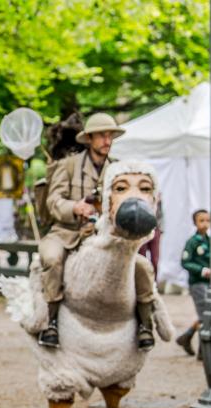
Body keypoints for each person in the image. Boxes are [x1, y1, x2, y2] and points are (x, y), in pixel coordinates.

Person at [38, 112, 156, 350]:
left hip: (103, 236)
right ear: (89, 138)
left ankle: (146, 324)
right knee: (52, 259)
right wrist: (75, 207)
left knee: (141, 266)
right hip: (66, 232)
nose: (107, 140)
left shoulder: (119, 169)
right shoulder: (67, 165)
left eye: (110, 135)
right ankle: (51, 322)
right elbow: (53, 201)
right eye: (102, 135)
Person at [176, 209, 211, 358]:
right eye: (201, 220)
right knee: (206, 316)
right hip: (198, 283)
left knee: (208, 315)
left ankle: (186, 337)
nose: (205, 224)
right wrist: (202, 270)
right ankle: (204, 352)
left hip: (210, 284)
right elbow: (185, 262)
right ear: (195, 223)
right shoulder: (192, 242)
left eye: (208, 220)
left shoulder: (209, 240)